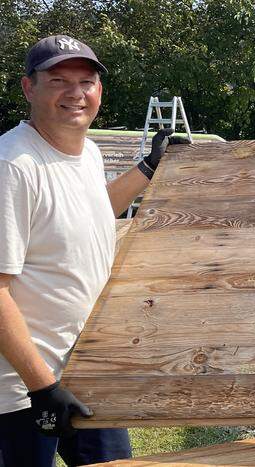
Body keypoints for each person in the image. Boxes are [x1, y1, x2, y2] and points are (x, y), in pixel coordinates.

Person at [0, 35, 186, 466]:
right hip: (21, 390)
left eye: (86, 81)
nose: (75, 93)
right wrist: (42, 387)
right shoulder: (13, 166)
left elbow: (91, 212)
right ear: (29, 88)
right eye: (59, 80)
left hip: (84, 368)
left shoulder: (86, 153)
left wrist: (148, 168)